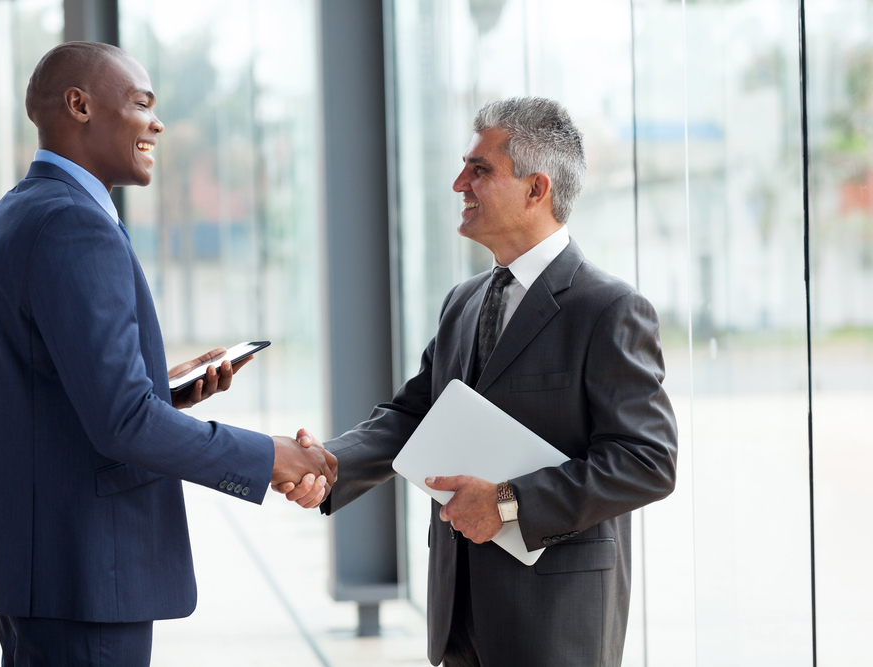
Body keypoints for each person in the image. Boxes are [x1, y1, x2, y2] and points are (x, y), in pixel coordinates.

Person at [0, 41, 335, 666]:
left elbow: (42, 387)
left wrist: (161, 387)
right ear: (77, 105)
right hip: (84, 577)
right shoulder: (75, 225)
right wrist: (273, 458)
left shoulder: (14, 214)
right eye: (140, 103)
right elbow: (124, 422)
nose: (156, 123)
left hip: (37, 570)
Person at [284, 97, 678, 666]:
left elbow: (648, 461)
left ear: (536, 189)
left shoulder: (609, 308)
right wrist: (330, 463)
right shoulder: (463, 302)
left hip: (556, 617)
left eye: (480, 170)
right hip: (458, 611)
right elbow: (413, 416)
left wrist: (509, 501)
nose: (458, 184)